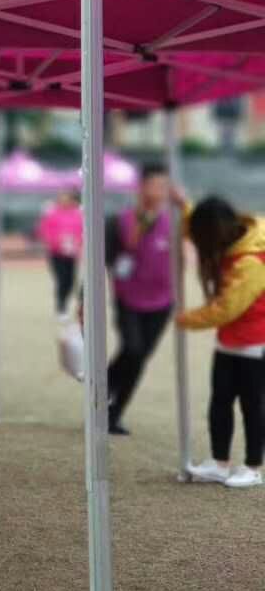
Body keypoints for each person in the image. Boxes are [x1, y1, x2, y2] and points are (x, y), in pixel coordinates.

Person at [178, 197, 265, 489]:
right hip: (229, 340)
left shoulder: (251, 260)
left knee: (252, 406)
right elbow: (194, 228)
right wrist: (183, 206)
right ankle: (220, 463)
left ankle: (253, 467)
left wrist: (186, 319)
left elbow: (228, 308)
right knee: (220, 401)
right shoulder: (229, 240)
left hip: (255, 342)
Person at [106, 163, 185, 436]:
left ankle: (114, 413)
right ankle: (103, 385)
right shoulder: (121, 220)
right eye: (156, 185)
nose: (162, 191)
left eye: (165, 186)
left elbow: (204, 231)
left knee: (139, 358)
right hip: (128, 298)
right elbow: (114, 255)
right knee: (133, 349)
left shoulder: (174, 221)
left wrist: (184, 205)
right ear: (141, 187)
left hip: (162, 302)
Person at [38, 190, 83, 318]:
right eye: (62, 199)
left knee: (70, 280)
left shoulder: (77, 214)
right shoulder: (52, 213)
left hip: (71, 253)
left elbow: (81, 230)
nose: (65, 201)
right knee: (61, 278)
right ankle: (61, 306)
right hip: (56, 253)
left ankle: (64, 302)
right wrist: (55, 241)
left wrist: (77, 241)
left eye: (67, 199)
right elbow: (44, 230)